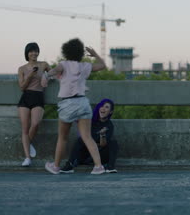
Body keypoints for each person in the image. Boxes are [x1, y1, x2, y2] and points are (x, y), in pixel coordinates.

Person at [42, 38, 107, 175]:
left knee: (63, 137)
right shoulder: (85, 66)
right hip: (83, 103)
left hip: (68, 104)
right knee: (87, 136)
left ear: (66, 51)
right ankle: (98, 166)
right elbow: (102, 66)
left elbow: (54, 71)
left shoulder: (64, 64)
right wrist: (95, 54)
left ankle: (56, 166)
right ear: (80, 53)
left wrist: (45, 76)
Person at [60, 98, 119, 174]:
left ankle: (110, 167)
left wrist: (102, 134)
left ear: (110, 112)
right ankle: (69, 165)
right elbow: (85, 139)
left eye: (106, 107)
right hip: (86, 154)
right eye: (102, 106)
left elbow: (103, 145)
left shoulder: (109, 125)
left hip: (100, 155)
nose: (103, 108)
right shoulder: (90, 121)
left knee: (113, 143)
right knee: (80, 140)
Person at [17, 42, 50, 167]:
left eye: (36, 51)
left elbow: (55, 75)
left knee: (35, 123)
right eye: (31, 51)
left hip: (38, 96)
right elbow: (22, 87)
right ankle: (27, 158)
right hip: (25, 98)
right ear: (27, 53)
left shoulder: (44, 65)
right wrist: (30, 76)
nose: (34, 53)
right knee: (25, 128)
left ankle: (28, 143)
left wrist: (46, 76)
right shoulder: (22, 68)